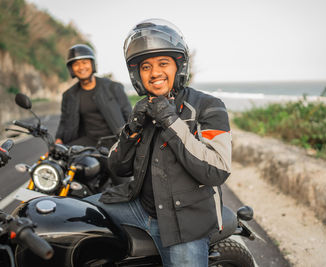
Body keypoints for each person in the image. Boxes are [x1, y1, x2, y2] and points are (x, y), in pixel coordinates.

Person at [85, 19, 232, 266]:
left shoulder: (209, 106)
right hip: (139, 208)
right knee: (73, 215)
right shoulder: (144, 109)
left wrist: (170, 120)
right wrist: (131, 129)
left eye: (163, 63)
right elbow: (118, 167)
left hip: (185, 223)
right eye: (146, 67)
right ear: (137, 74)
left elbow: (218, 169)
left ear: (179, 66)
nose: (154, 73)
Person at [55, 44, 132, 148]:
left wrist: (131, 137)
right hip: (88, 142)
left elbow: (128, 114)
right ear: (71, 68)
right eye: (76, 64)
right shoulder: (69, 95)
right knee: (64, 158)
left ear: (92, 64)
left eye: (84, 62)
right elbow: (64, 121)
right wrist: (58, 140)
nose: (81, 67)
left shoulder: (113, 87)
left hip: (115, 140)